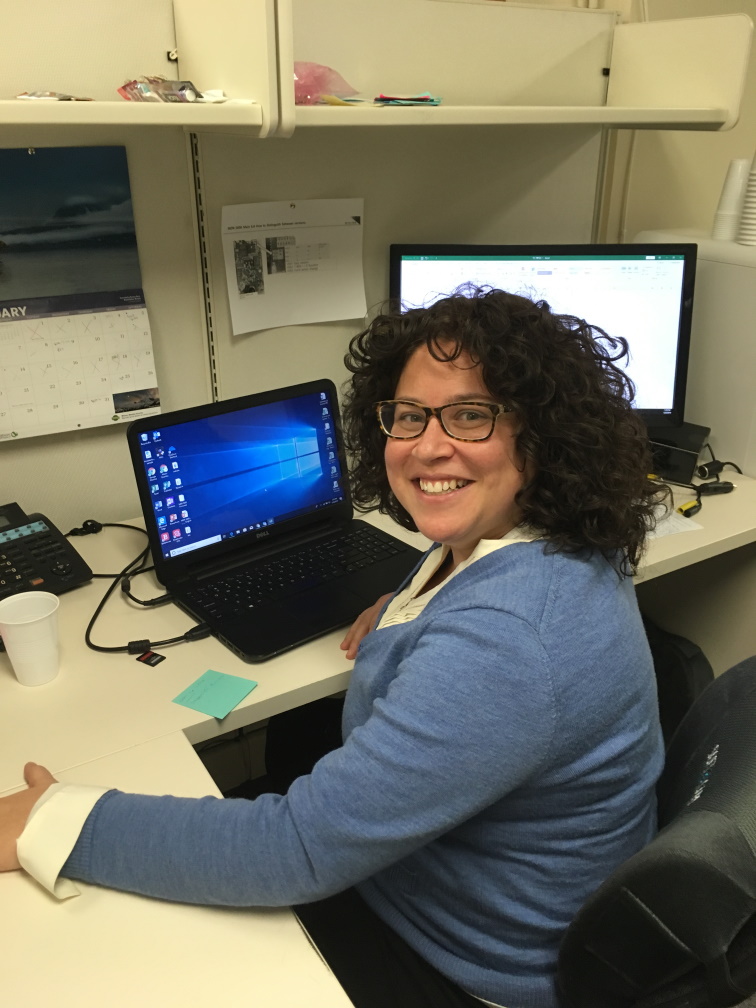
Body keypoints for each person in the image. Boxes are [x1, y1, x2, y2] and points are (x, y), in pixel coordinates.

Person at [0, 288, 666, 1008]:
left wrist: (57, 821)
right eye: (408, 416)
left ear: (542, 436)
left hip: (457, 962)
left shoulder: (508, 641)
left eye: (472, 415)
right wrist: (412, 607)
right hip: (439, 882)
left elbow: (295, 850)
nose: (428, 445)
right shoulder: (540, 541)